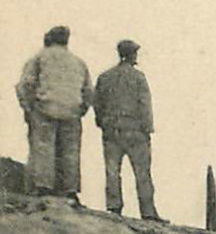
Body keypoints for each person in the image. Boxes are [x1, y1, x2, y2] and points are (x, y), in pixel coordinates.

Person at [15, 26, 94, 200]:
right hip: (72, 111)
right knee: (70, 152)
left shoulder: (39, 57)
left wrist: (28, 107)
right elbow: (88, 91)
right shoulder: (79, 62)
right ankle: (70, 190)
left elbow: (26, 85)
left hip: (44, 108)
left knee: (43, 147)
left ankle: (43, 187)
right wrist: (81, 110)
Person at [93, 39, 161, 221]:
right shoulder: (138, 77)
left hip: (111, 130)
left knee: (112, 170)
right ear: (132, 55)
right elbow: (145, 105)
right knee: (142, 172)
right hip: (135, 131)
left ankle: (114, 207)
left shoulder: (104, 77)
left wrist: (102, 122)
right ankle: (148, 212)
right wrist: (147, 129)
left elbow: (96, 103)